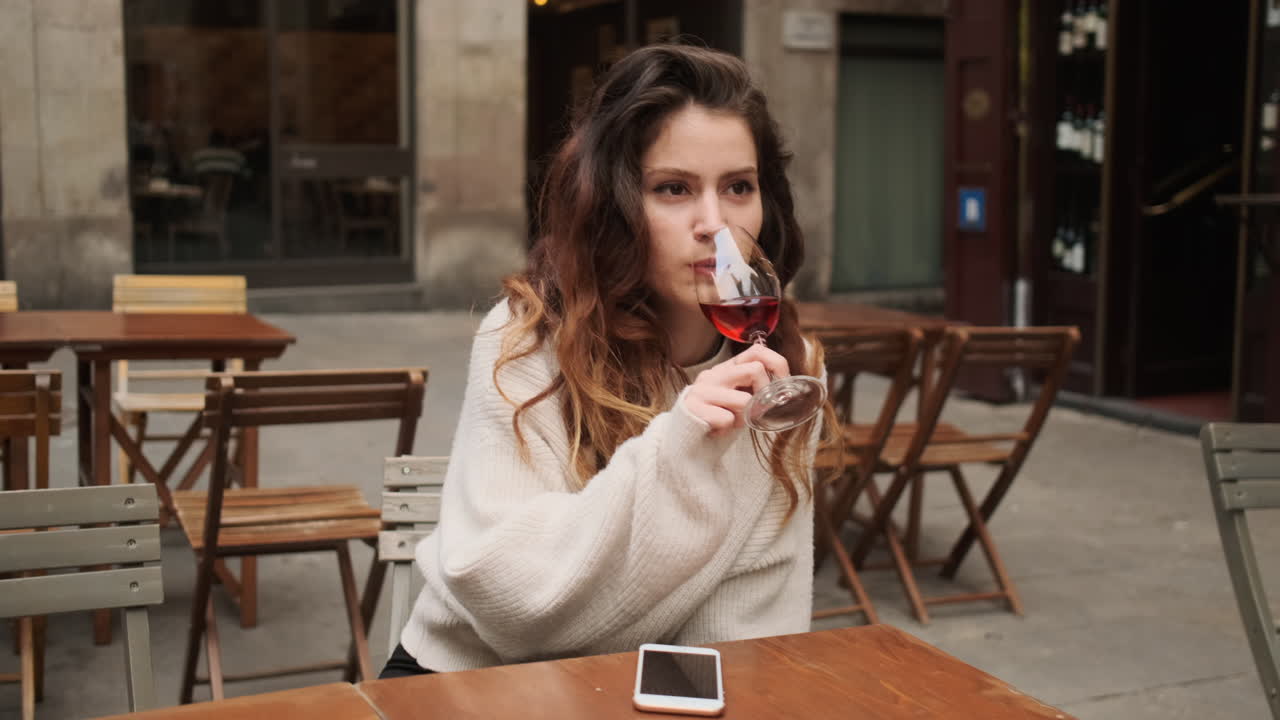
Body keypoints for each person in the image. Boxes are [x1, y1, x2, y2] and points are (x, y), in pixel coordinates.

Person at [382, 43, 829, 678]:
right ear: (617, 202)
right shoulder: (527, 337)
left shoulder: (786, 364)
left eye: (738, 187)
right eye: (673, 188)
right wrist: (681, 445)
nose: (715, 223)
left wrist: (709, 697)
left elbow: (753, 606)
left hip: (645, 688)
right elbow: (510, 599)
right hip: (469, 682)